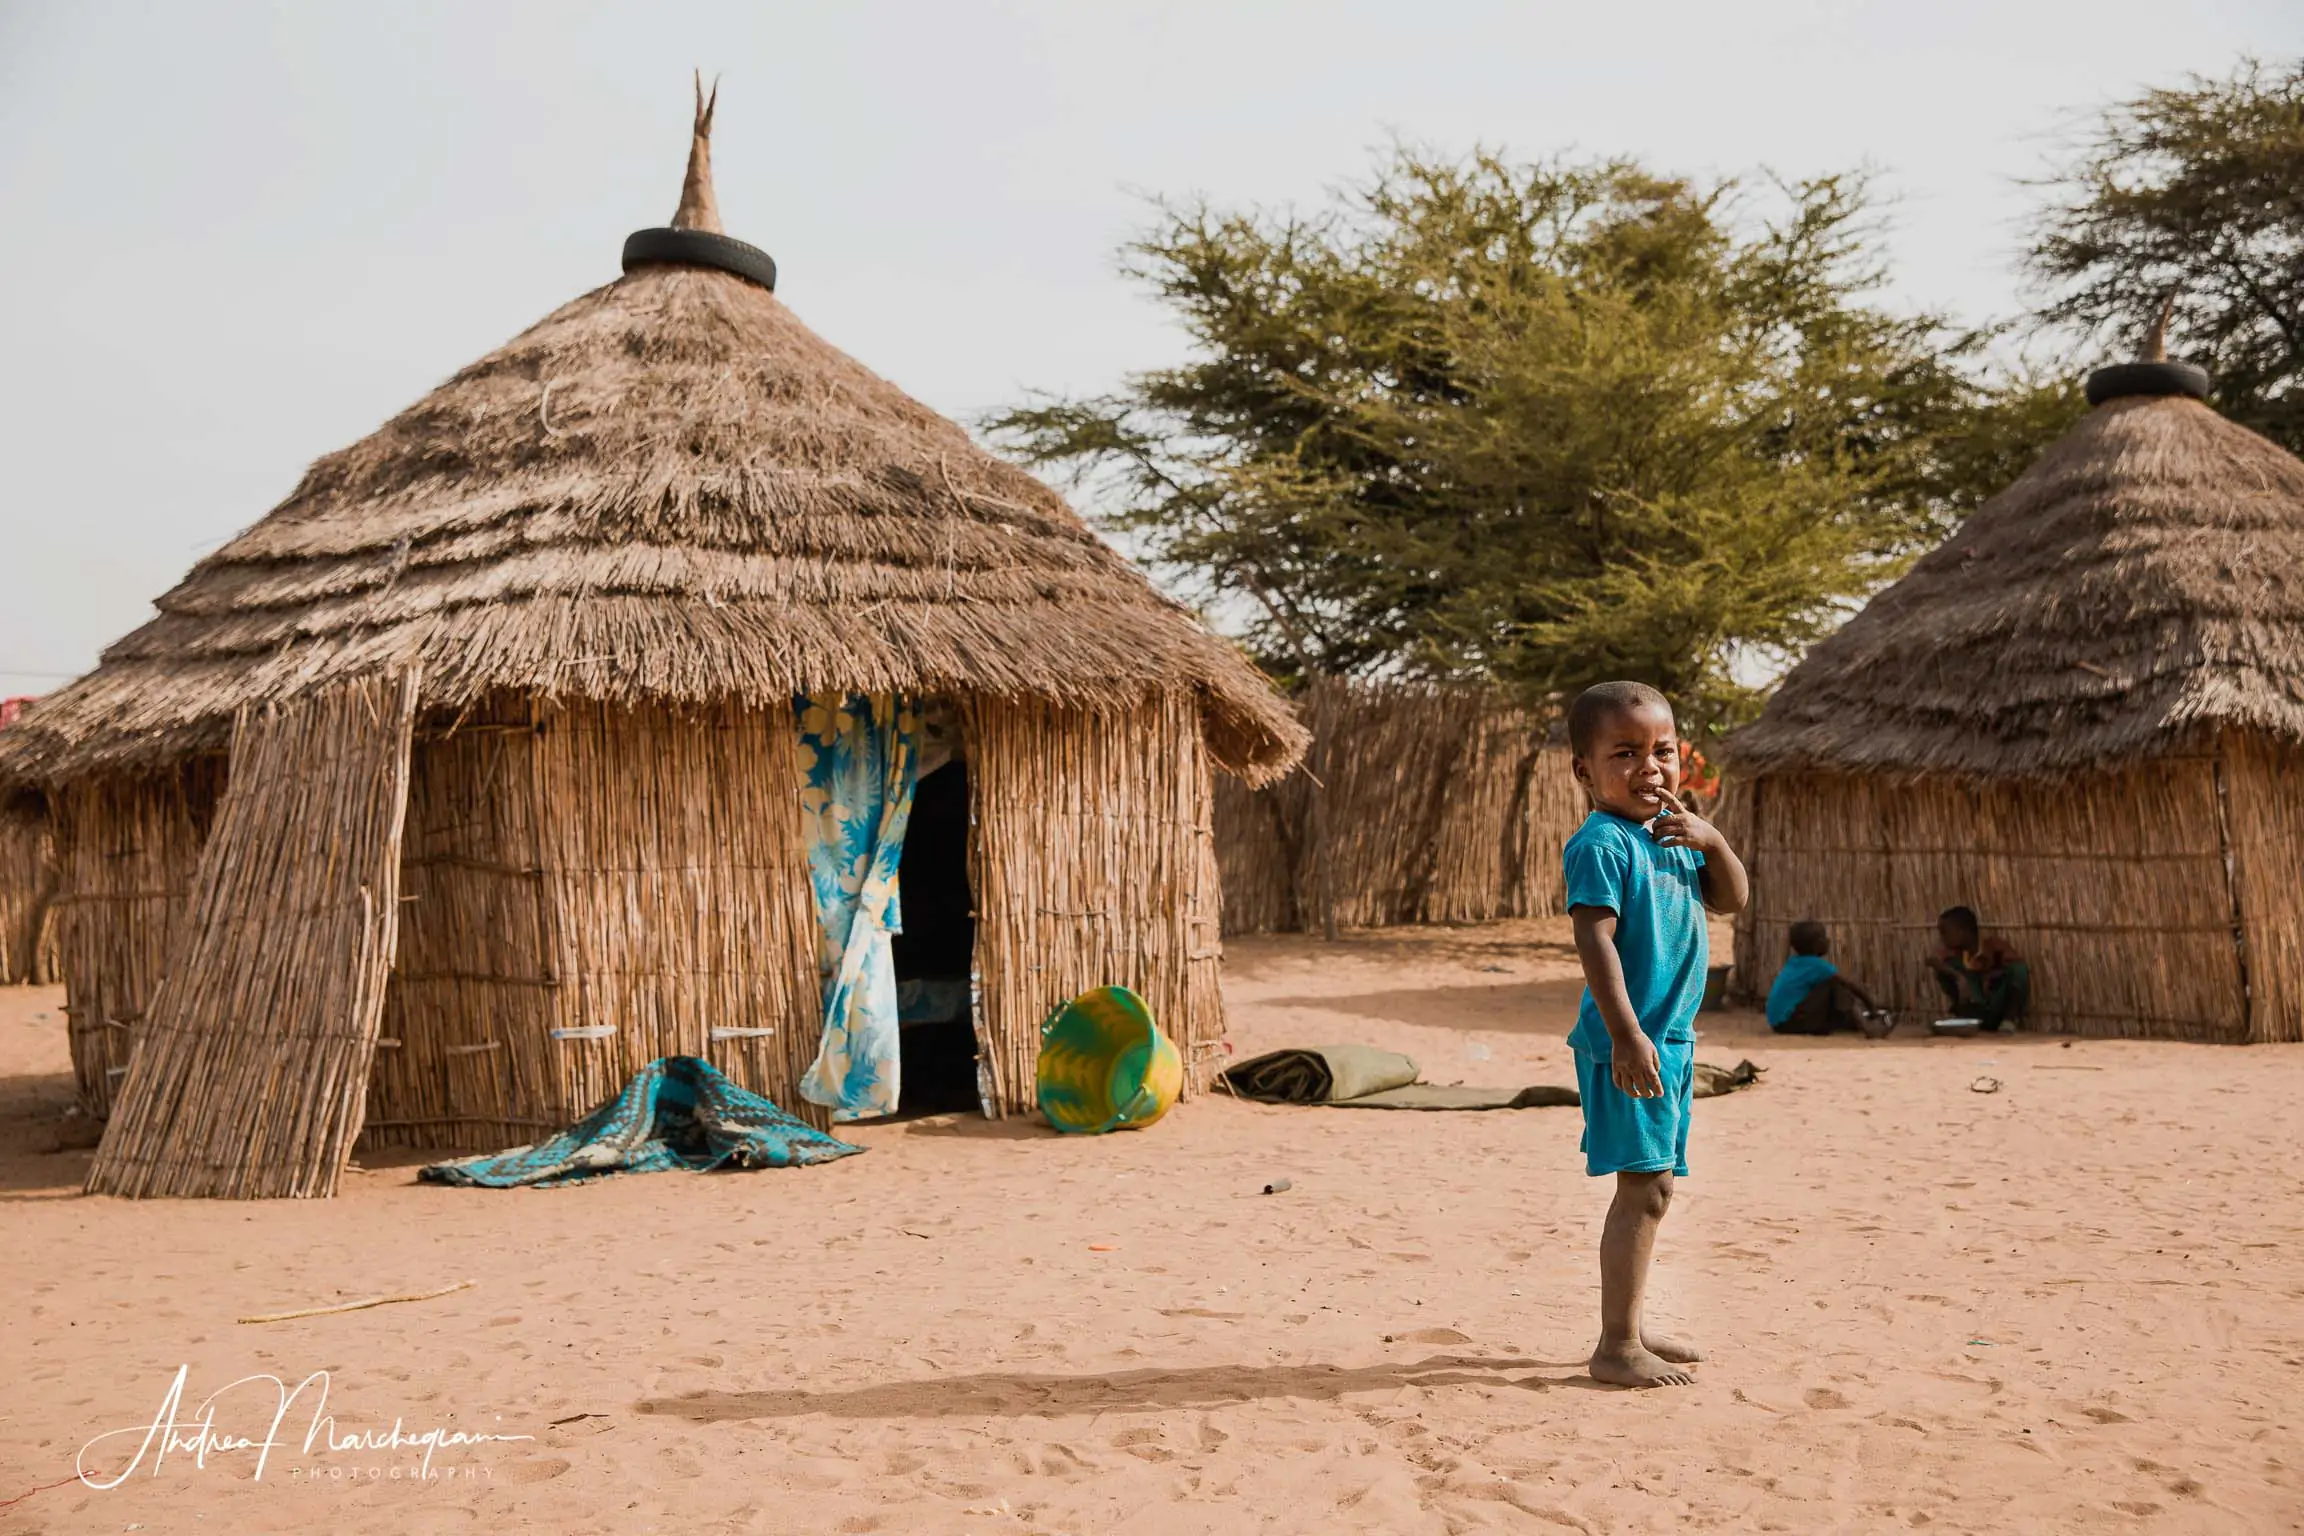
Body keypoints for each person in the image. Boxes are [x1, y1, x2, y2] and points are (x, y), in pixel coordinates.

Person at [1562, 680, 1749, 1390]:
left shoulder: (1672, 833)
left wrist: (1714, 839)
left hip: (1670, 1040)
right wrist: (1626, 1034)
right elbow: (1596, 942)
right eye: (1625, 754)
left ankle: (1631, 1326)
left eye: (1662, 752)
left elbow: (1730, 899)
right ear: (1585, 771)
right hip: (1630, 1043)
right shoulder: (1602, 844)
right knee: (1642, 1189)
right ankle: (1615, 1346)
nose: (1650, 769)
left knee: (1658, 1188)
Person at [1766, 920, 1894, 1038]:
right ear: (1816, 945)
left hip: (1779, 1023)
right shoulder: (1818, 965)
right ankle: (1869, 1028)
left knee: (1834, 999)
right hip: (1789, 1022)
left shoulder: (1794, 962)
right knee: (1835, 986)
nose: (1828, 940)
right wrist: (1872, 1006)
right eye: (1823, 938)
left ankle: (1859, 1020)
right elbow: (1851, 985)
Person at [1929, 907, 2030, 1031]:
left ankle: (2009, 1020)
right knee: (1945, 969)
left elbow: (2018, 968)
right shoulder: (1954, 954)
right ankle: (1965, 1016)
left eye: (1945, 932)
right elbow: (1932, 960)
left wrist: (1989, 976)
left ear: (1961, 932)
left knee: (2019, 970)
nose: (1942, 938)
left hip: (1995, 1005)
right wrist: (1959, 977)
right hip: (1974, 1008)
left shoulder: (1994, 946)